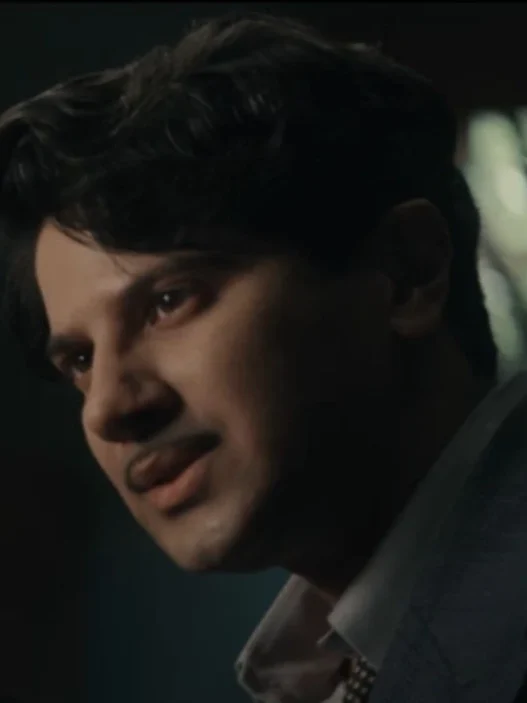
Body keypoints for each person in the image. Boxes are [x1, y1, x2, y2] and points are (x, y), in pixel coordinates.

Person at [0, 12, 525, 703]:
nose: (107, 406)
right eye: (79, 359)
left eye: (169, 301)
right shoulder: (334, 664)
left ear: (405, 271)